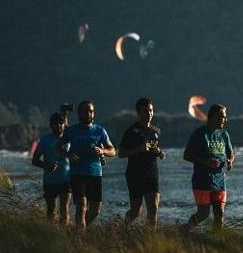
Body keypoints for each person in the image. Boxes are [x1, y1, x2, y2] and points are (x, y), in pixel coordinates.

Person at [59, 101, 116, 230]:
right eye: (85, 111)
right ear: (79, 113)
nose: (88, 113)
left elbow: (112, 150)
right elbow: (58, 147)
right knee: (82, 206)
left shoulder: (100, 130)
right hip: (77, 173)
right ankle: (80, 238)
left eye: (91, 111)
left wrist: (103, 151)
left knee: (95, 211)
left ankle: (77, 230)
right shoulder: (72, 130)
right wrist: (68, 155)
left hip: (95, 173)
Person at [183, 104, 235, 231]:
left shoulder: (224, 134)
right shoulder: (200, 133)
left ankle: (217, 240)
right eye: (223, 116)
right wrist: (206, 162)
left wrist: (229, 161)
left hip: (220, 181)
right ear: (213, 117)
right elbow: (187, 155)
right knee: (203, 214)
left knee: (220, 214)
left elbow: (231, 153)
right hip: (202, 181)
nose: (225, 119)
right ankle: (184, 230)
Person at [118, 98, 165, 228]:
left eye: (151, 110)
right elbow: (121, 153)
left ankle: (151, 238)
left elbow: (156, 149)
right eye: (145, 111)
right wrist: (139, 149)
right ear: (138, 113)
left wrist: (160, 153)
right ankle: (121, 228)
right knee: (136, 211)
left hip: (152, 172)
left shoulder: (156, 131)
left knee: (153, 208)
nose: (149, 113)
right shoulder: (131, 131)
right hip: (135, 174)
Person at [31, 112, 71, 225]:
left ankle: (63, 236)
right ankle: (50, 234)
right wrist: (47, 166)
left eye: (61, 123)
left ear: (64, 124)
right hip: (50, 181)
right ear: (50, 125)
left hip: (66, 180)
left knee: (65, 209)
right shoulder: (45, 140)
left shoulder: (69, 138)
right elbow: (35, 160)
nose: (58, 125)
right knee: (51, 210)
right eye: (55, 123)